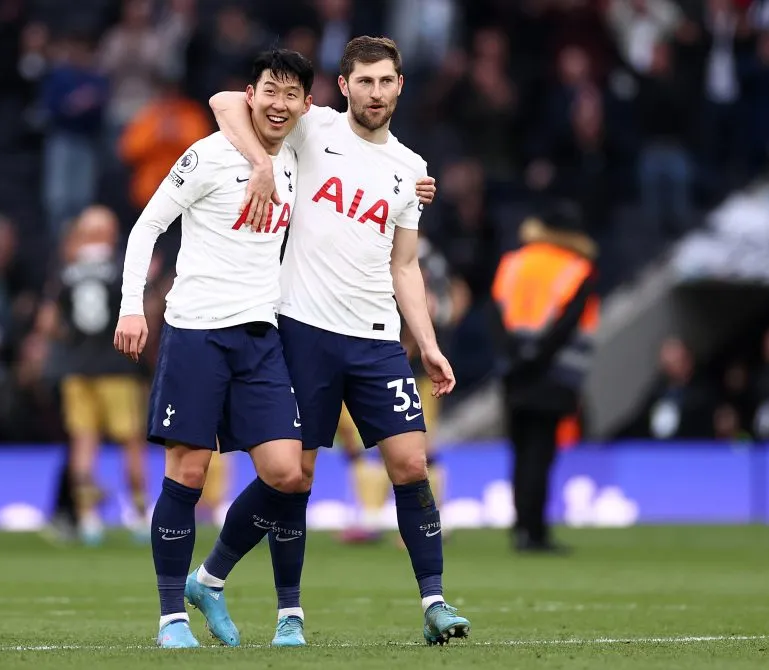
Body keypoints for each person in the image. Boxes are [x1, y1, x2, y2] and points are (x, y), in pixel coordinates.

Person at [206, 36, 470, 645]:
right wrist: (263, 163)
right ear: (343, 86)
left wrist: (426, 342)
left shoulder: (410, 169)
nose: (376, 93)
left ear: (400, 85)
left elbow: (405, 266)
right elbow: (225, 102)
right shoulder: (312, 125)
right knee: (294, 475)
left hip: (377, 340)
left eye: (386, 81)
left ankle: (434, 603)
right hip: (303, 330)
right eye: (365, 82)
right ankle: (266, 601)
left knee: (410, 463)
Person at [114, 49, 313, 649]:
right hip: (197, 330)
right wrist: (129, 305)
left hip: (260, 335)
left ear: (306, 103)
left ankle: (210, 579)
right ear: (251, 94)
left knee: (287, 473)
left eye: (291, 95)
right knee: (188, 472)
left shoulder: (303, 153)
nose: (279, 105)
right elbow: (146, 226)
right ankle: (171, 617)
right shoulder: (205, 154)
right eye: (268, 92)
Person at [36, 205, 150, 545]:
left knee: (84, 444)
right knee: (131, 443)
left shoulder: (67, 271)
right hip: (119, 367)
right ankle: (141, 516)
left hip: (77, 368)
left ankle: (88, 520)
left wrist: (71, 341)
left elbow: (47, 323)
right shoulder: (122, 268)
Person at [489, 201, 599, 554]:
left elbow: (494, 313)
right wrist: (537, 357)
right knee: (541, 452)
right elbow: (567, 324)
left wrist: (513, 359)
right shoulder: (576, 268)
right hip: (553, 375)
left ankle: (521, 528)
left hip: (514, 374)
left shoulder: (513, 262)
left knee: (520, 452)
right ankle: (534, 533)